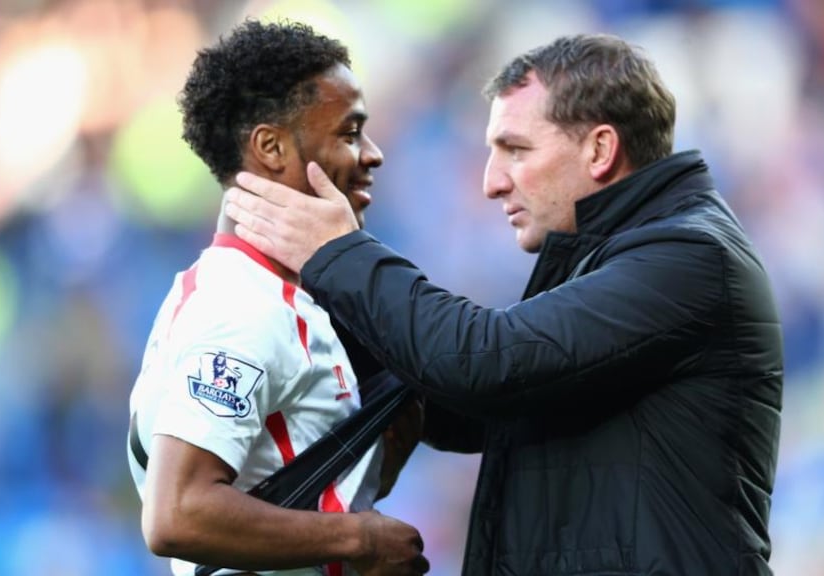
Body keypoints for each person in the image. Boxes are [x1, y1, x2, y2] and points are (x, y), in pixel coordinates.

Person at [223, 33, 784, 575]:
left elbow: (485, 363)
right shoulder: (610, 258)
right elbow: (472, 406)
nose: (491, 182)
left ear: (601, 149)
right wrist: (312, 310)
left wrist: (337, 256)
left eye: (515, 150)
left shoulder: (688, 257)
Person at [126, 19, 429, 576]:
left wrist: (378, 467)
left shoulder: (273, 295)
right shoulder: (242, 307)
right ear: (270, 146)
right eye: (350, 132)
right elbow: (177, 514)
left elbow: (274, 488)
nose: (373, 153)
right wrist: (361, 539)